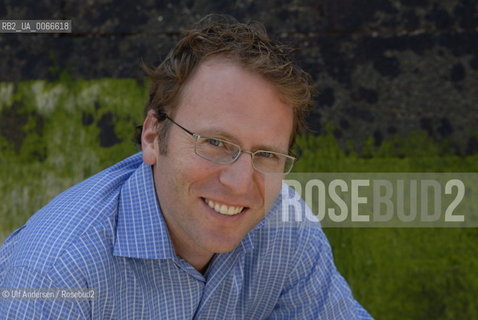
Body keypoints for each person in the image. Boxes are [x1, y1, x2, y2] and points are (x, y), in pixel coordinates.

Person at [0, 15, 373, 319]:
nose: (241, 182)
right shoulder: (58, 271)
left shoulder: (285, 230)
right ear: (152, 136)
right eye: (215, 143)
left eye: (265, 155)